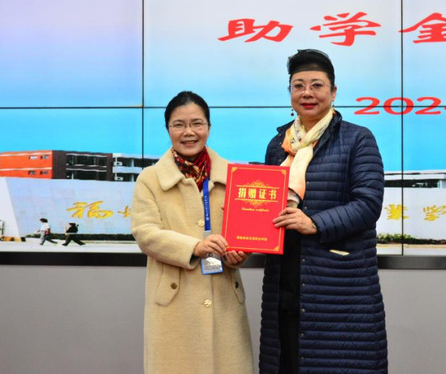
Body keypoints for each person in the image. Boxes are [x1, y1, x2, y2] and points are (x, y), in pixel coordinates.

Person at [259, 49, 387, 374]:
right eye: (298, 85)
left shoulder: (358, 139)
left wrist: (314, 223)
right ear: (289, 91)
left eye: (316, 85)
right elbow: (265, 203)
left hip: (338, 283)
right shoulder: (278, 144)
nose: (307, 93)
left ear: (333, 91)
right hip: (285, 277)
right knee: (286, 360)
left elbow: (368, 204)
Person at [131, 91, 254, 374]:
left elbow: (246, 233)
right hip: (175, 300)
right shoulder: (150, 179)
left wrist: (240, 254)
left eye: (197, 123)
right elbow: (145, 232)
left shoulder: (235, 176)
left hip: (224, 296)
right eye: (179, 125)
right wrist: (195, 247)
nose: (189, 132)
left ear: (208, 127)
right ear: (168, 129)